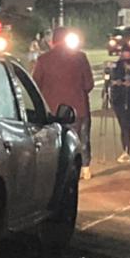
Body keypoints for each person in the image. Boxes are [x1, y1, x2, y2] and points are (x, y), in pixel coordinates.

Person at [33, 27, 95, 178]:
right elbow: (89, 84)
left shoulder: (43, 60)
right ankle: (85, 167)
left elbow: (36, 85)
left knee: (56, 142)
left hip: (52, 110)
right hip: (78, 107)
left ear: (52, 42)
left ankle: (58, 170)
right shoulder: (80, 57)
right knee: (81, 138)